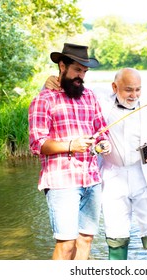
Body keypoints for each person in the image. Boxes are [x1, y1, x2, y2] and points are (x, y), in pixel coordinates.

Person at [45, 68, 147, 260]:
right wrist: (49, 81)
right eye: (129, 90)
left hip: (143, 174)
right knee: (116, 233)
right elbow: (73, 87)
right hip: (113, 175)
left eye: (138, 90)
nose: (134, 95)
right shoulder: (100, 98)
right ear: (114, 87)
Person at [28, 43, 111, 260]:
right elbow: (37, 144)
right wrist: (71, 145)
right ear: (62, 66)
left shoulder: (90, 96)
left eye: (84, 72)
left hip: (92, 180)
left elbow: (101, 131)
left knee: (85, 241)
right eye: (77, 70)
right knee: (65, 244)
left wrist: (102, 145)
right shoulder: (43, 100)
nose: (81, 76)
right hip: (62, 182)